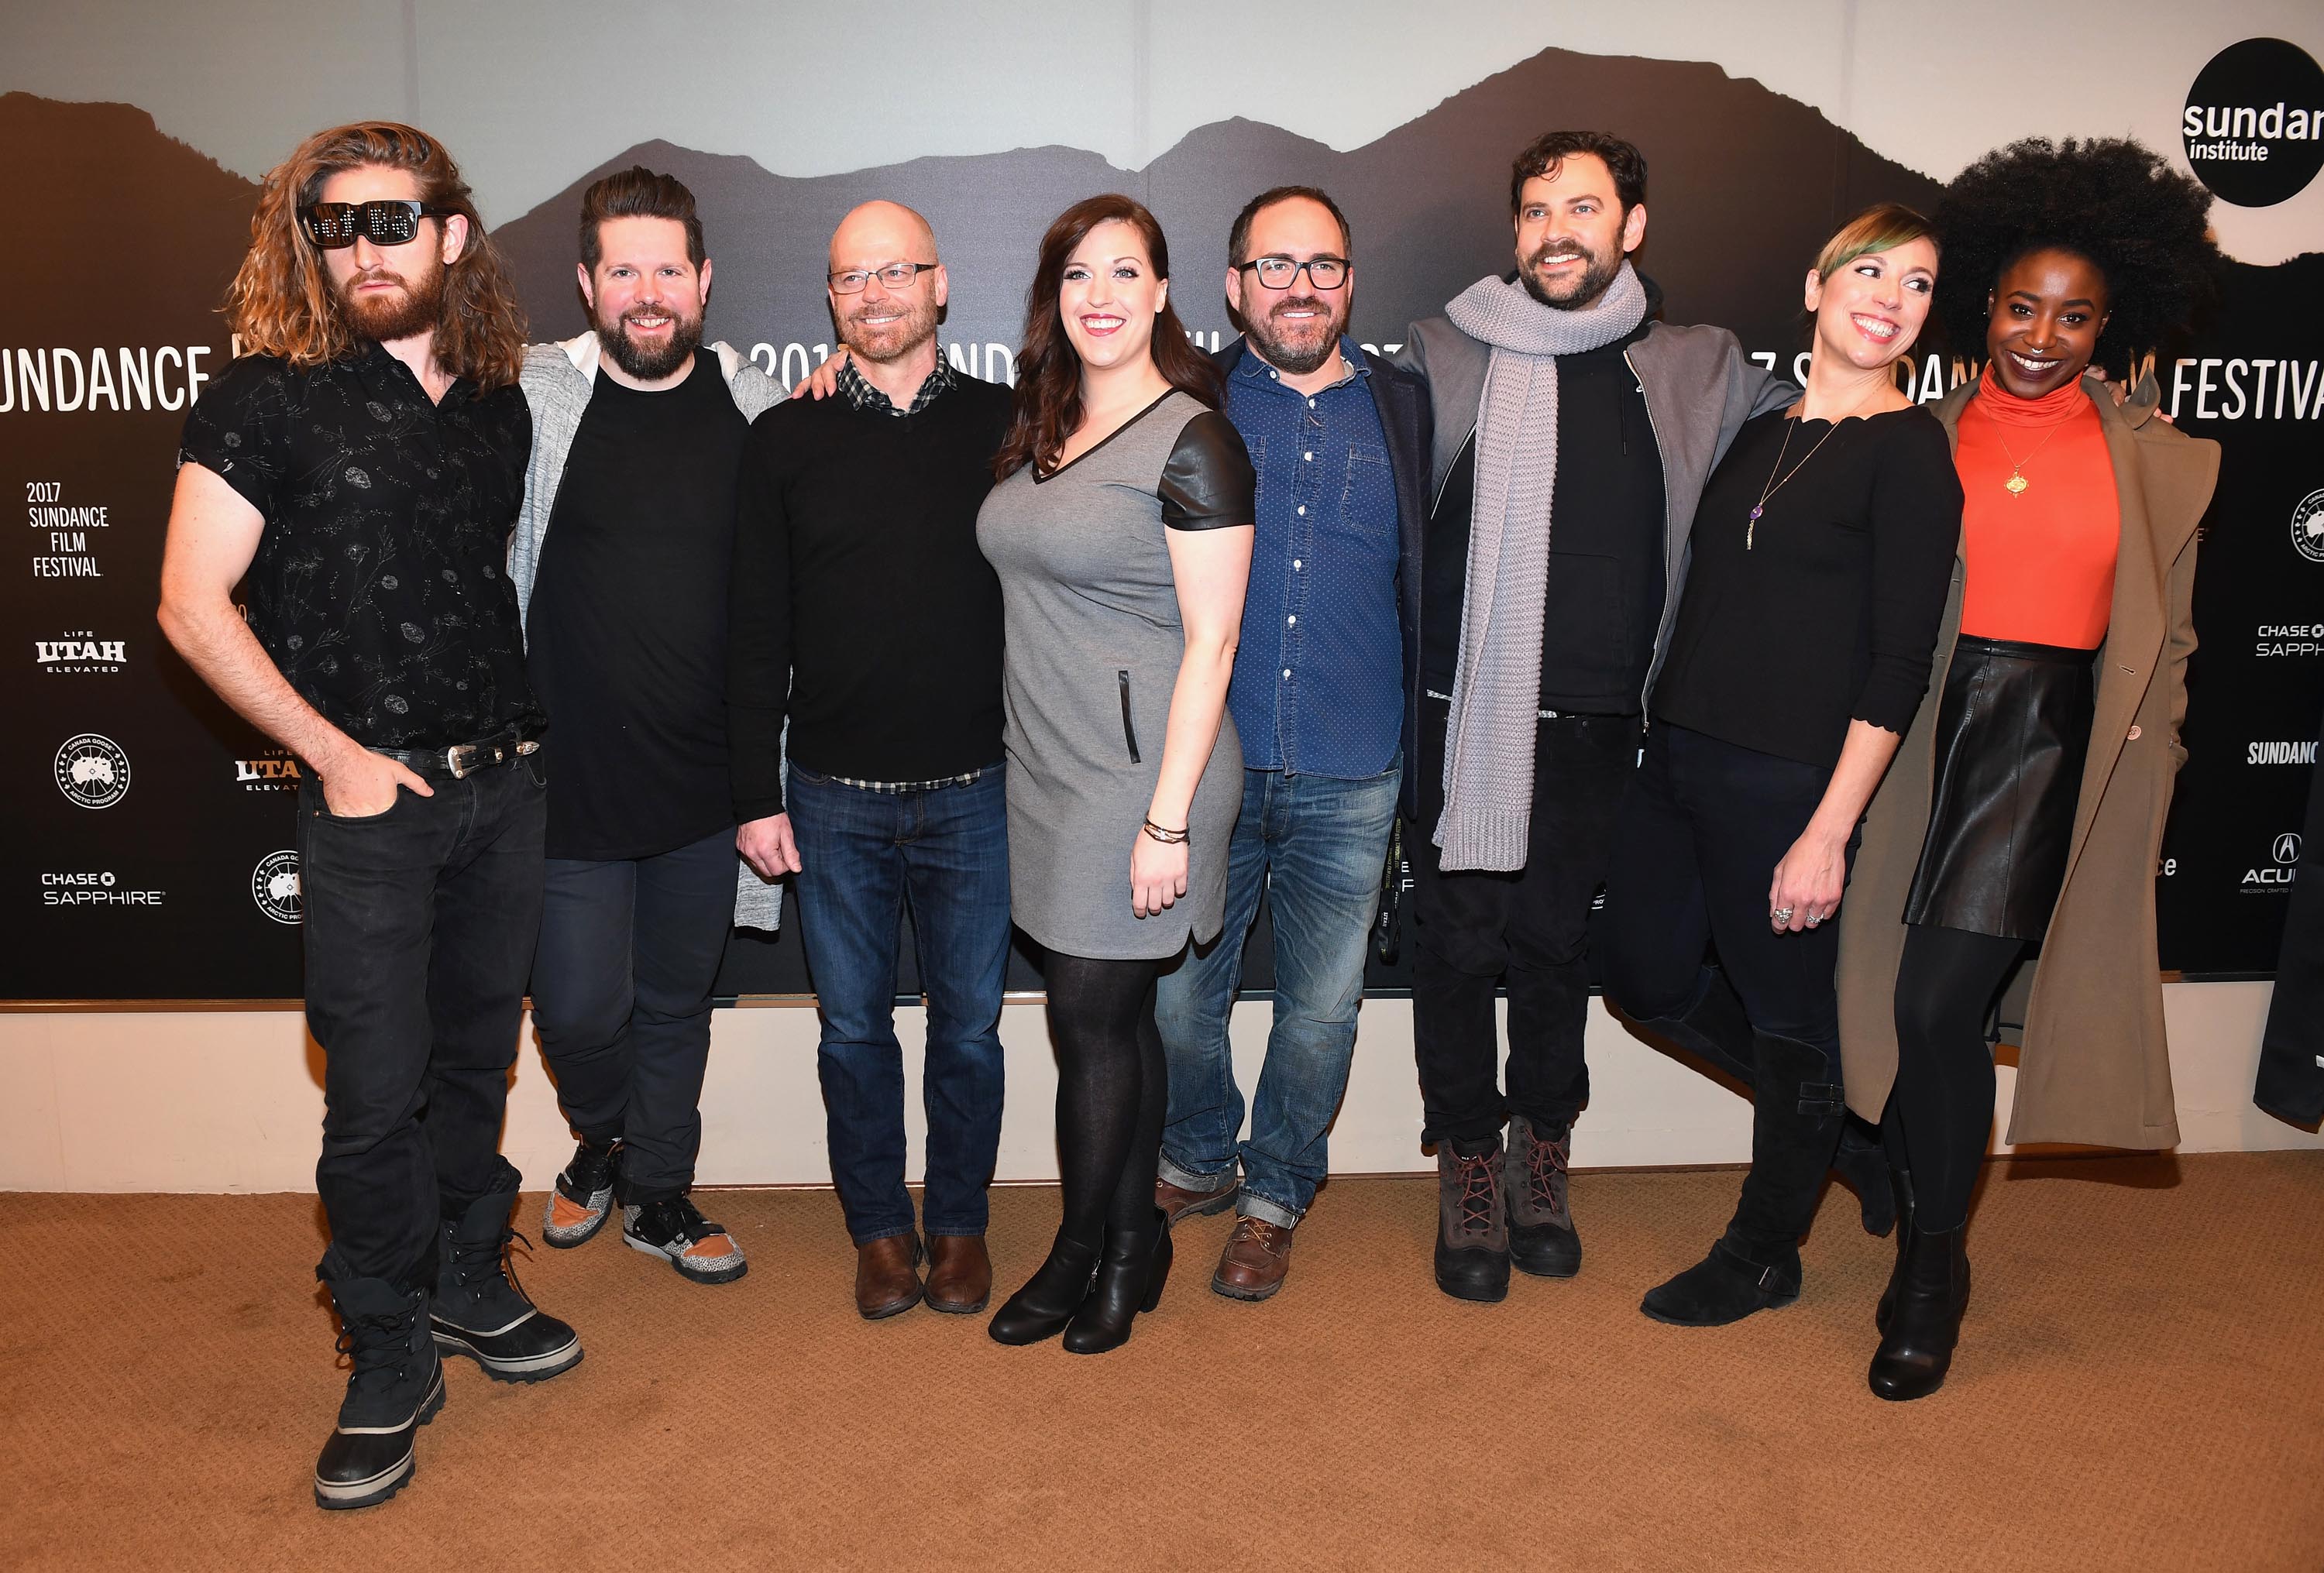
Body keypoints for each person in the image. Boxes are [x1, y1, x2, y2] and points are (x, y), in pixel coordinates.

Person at [160, 122, 579, 1511]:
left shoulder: (501, 395)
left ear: (453, 234)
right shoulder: (264, 399)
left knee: (474, 1070)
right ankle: (387, 1338)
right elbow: (188, 604)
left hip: (504, 787)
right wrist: (334, 757)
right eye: (332, 226)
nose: (361, 251)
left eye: (390, 222)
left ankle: (466, 1274)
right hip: (371, 804)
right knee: (375, 1091)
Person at [1837, 138, 2222, 1400]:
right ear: (1982, 305)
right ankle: (1903, 1178)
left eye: (2075, 315)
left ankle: (1935, 1273)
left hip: (2041, 742)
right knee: (1884, 1002)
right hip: (1911, 739)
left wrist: (2146, 764)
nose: (2041, 336)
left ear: (2116, 325)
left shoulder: (2164, 457)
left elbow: (2171, 642)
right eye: (2020, 305)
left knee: (1938, 1008)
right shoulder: (1915, 433)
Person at [1394, 131, 1799, 1303]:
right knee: (1461, 950)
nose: (1555, 229)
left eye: (1582, 206)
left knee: (1558, 948)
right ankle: (1469, 1162)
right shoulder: (1441, 353)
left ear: (1633, 227)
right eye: (1533, 209)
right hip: (1460, 714)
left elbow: (1837, 432)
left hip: (1601, 726)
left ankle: (1542, 1156)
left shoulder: (1702, 366)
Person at [1597, 204, 1960, 1331]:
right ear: (1814, 288)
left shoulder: (1912, 451)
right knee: (1645, 977)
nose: (1890, 295)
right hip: (1677, 761)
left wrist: (1828, 831)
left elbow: (1902, 661)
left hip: (1790, 785)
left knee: (1793, 1024)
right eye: (1868, 270)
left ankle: (1764, 1250)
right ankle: (1848, 1132)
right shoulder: (1761, 431)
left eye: (1917, 283)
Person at [977, 194, 1255, 1353]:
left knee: (1091, 1019)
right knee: (1116, 1023)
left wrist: (1170, 823)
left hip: (1145, 777)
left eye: (1125, 272)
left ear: (1161, 292)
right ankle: (1133, 1243)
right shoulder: (1040, 428)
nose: (1101, 295)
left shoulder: (1194, 436)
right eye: (1079, 275)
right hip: (1045, 768)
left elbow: (1215, 640)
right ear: (1057, 297)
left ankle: (1087, 1251)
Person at [730, 201, 1016, 1321]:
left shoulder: (1010, 426)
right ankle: (879, 1232)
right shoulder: (782, 436)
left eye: (899, 273)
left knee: (972, 1031)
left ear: (941, 286)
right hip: (832, 797)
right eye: (855, 278)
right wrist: (754, 791)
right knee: (850, 1031)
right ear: (832, 296)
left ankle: (958, 1226)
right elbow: (754, 624)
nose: (879, 294)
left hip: (979, 791)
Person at [1148, 186, 1429, 1300]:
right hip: (1212, 764)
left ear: (1350, 283)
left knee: (1320, 1013)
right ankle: (1201, 1153)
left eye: (1323, 265)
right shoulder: (1181, 400)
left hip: (1358, 768)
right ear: (1234, 285)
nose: (1301, 285)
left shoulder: (1411, 405)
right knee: (1178, 1001)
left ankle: (1273, 1197)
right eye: (1275, 266)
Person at [509, 167, 784, 1286]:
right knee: (575, 1011)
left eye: (669, 268)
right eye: (624, 270)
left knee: (677, 1006)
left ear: (705, 281)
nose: (649, 291)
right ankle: (603, 1139)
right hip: (562, 782)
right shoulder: (529, 394)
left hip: (702, 789)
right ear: (587, 284)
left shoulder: (758, 409)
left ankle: (659, 1193)